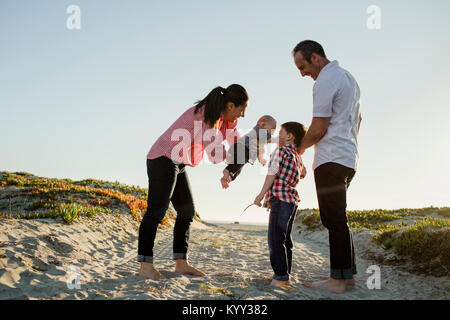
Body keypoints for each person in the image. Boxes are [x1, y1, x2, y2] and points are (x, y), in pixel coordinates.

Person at [138, 84, 249, 280]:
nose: (242, 116)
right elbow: (215, 154)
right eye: (241, 111)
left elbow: (237, 143)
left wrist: (250, 147)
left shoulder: (222, 119)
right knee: (156, 210)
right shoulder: (208, 115)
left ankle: (181, 264)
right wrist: (235, 157)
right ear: (230, 105)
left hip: (177, 161)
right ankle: (145, 266)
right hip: (162, 158)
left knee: (187, 211)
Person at [293, 40, 362, 294]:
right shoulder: (348, 78)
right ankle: (347, 276)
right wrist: (348, 143)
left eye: (303, 67)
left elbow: (319, 128)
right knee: (338, 218)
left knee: (333, 219)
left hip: (331, 158)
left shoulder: (324, 81)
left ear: (315, 58)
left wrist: (299, 148)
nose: (303, 74)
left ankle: (338, 281)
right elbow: (359, 119)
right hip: (348, 158)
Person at [253, 122, 307, 288]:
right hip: (292, 201)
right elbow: (303, 174)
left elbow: (272, 173)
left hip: (281, 200)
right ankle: (284, 274)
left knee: (275, 239)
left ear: (289, 136)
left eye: (281, 132)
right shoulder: (296, 156)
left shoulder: (281, 151)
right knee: (285, 240)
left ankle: (281, 277)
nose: (277, 135)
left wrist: (261, 194)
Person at [220, 115, 277, 189]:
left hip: (241, 153)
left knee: (239, 169)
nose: (271, 134)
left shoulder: (261, 141)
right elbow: (267, 139)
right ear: (263, 125)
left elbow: (261, 151)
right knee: (241, 161)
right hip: (241, 148)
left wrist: (261, 159)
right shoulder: (259, 129)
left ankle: (227, 178)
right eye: (271, 131)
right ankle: (228, 170)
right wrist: (277, 139)